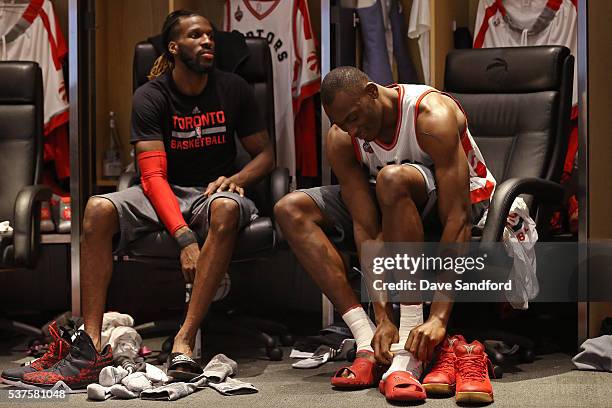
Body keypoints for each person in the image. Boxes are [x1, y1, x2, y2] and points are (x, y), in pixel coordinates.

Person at [16, 10, 274, 389]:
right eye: (196, 35)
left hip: (210, 193)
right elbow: (153, 178)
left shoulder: (234, 88)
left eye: (210, 36)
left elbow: (266, 155)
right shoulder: (151, 96)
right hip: (163, 190)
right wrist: (184, 239)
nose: (207, 42)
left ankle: (185, 339)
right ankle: (91, 346)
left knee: (226, 208)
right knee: (97, 208)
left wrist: (237, 178)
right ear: (174, 47)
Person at [274, 66, 496, 401]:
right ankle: (366, 340)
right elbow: (366, 226)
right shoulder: (343, 136)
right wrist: (380, 316)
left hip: (462, 201)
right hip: (390, 198)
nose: (354, 130)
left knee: (392, 179)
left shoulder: (431, 116)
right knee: (289, 209)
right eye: (342, 123)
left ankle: (410, 347)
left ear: (372, 92)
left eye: (354, 117)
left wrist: (437, 317)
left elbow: (457, 218)